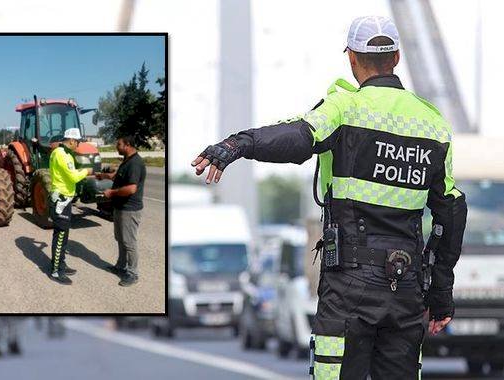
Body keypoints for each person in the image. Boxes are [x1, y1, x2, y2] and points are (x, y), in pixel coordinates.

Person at [192, 16, 467, 379]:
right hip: (407, 289)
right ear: (397, 57)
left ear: (351, 58)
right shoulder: (434, 125)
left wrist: (237, 144)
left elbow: (297, 138)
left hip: (350, 286)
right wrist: (441, 293)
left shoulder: (345, 107)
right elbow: (451, 212)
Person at [98, 135, 146, 287]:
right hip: (120, 207)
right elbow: (118, 177)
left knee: (129, 242)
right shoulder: (126, 161)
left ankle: (132, 273)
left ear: (127, 145)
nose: (116, 147)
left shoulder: (135, 164)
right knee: (120, 239)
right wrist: (104, 176)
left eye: (118, 144)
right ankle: (120, 266)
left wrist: (111, 193)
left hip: (129, 209)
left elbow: (131, 188)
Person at [48, 128, 91, 285]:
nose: (78, 145)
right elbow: (73, 177)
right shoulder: (61, 154)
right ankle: (56, 271)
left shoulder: (63, 152)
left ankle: (61, 264)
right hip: (61, 200)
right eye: (78, 142)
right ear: (71, 140)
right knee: (60, 236)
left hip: (63, 199)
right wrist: (87, 170)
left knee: (63, 235)